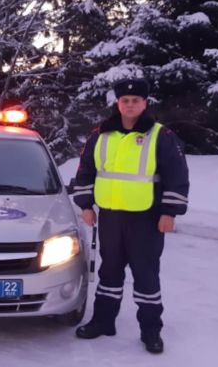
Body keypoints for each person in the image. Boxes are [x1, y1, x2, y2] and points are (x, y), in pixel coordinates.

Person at [72, 78, 189, 354]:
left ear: (145, 103)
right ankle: (103, 321)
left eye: (136, 100)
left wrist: (170, 212)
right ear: (118, 103)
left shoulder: (161, 136)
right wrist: (86, 206)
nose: (130, 105)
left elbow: (177, 176)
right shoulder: (101, 134)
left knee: (146, 275)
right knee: (109, 272)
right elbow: (86, 170)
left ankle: (151, 331)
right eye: (125, 100)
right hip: (110, 217)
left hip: (146, 218)